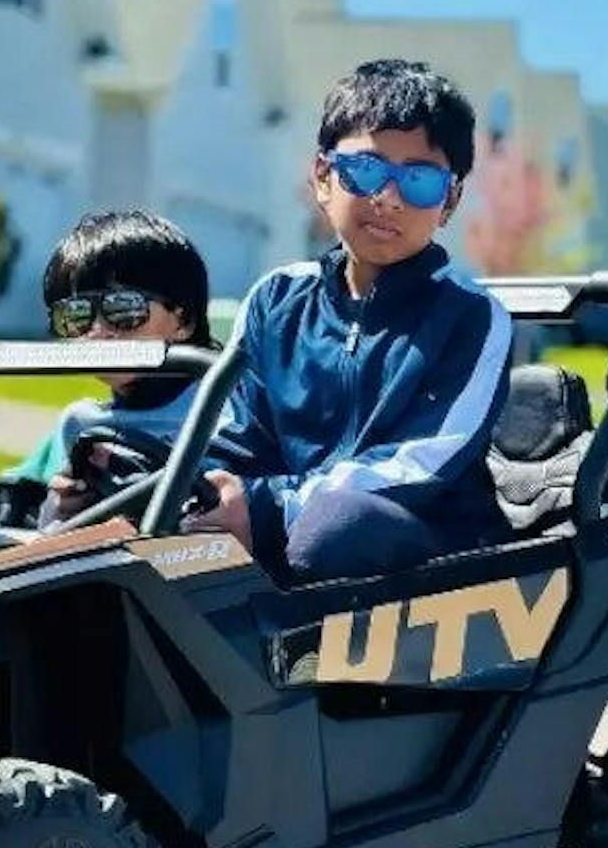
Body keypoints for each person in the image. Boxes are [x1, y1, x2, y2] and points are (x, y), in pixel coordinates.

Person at [188, 59, 512, 581]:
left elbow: (421, 466)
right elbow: (233, 436)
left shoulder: (472, 316)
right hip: (279, 527)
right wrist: (208, 490)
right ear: (323, 177)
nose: (387, 198)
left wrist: (271, 506)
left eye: (420, 181)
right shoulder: (276, 298)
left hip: (425, 545)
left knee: (335, 524)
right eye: (365, 170)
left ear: (450, 200)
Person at [0, 210, 214, 530]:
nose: (98, 331)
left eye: (123, 309)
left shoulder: (230, 413)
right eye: (77, 315)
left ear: (183, 320)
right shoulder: (82, 427)